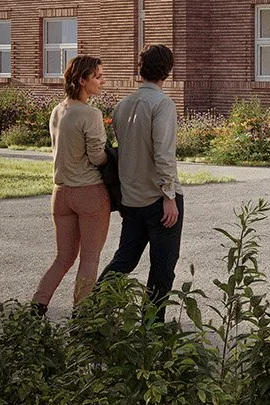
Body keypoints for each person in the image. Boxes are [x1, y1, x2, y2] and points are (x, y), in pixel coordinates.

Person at [102, 43, 184, 312]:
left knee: (123, 261)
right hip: (159, 201)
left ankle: (89, 314)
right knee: (162, 270)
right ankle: (152, 332)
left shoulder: (122, 106)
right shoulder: (162, 104)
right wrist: (169, 196)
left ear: (141, 68)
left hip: (132, 199)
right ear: (168, 71)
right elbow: (163, 154)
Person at [31, 53, 111, 312]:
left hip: (61, 192)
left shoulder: (58, 111)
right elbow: (97, 157)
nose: (101, 80)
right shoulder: (91, 114)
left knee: (63, 258)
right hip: (88, 192)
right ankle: (82, 317)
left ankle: (37, 306)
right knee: (89, 259)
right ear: (82, 80)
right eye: (97, 76)